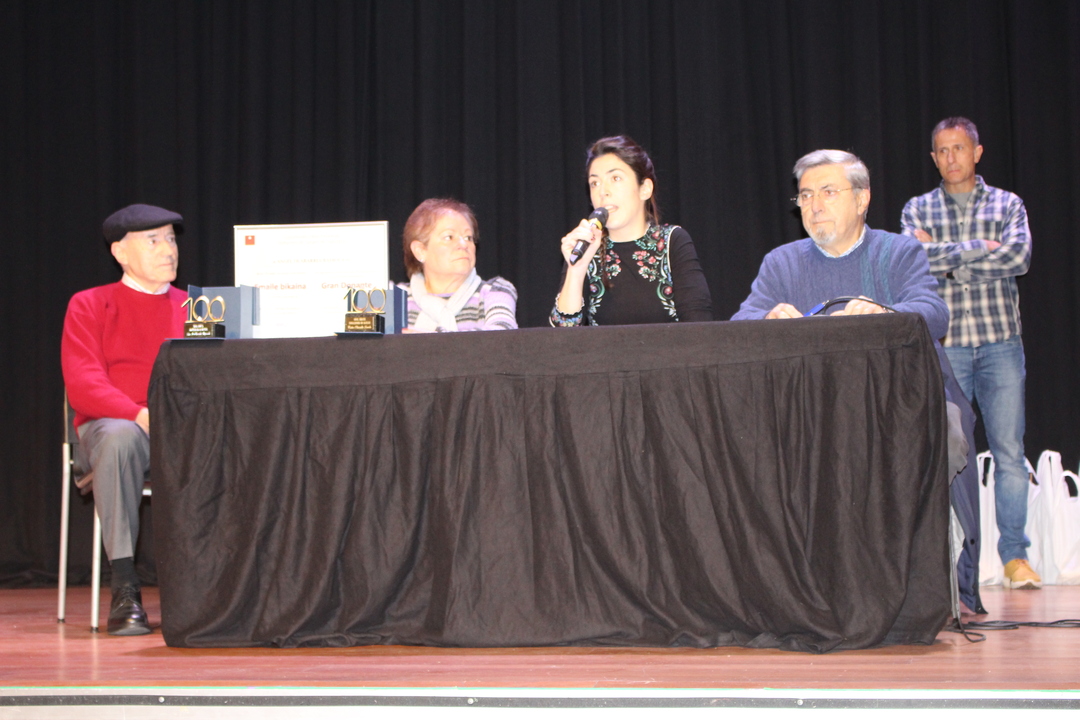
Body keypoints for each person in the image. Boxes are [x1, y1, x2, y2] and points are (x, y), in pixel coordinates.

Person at [733, 149, 985, 613]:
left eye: (828, 192)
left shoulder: (898, 252)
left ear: (862, 198)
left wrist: (886, 313)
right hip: (808, 412)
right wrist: (767, 319)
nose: (814, 205)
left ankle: (930, 588)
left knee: (944, 436)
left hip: (894, 407)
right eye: (805, 195)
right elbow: (741, 321)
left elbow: (934, 312)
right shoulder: (782, 263)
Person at [901, 117, 1038, 589]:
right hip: (948, 348)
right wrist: (980, 247)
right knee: (950, 452)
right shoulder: (917, 208)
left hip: (1001, 342)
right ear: (933, 157)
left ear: (976, 152)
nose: (950, 157)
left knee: (1009, 452)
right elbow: (915, 259)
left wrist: (948, 259)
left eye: (958, 148)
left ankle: (1015, 556)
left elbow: (1018, 258)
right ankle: (956, 564)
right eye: (942, 150)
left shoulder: (1007, 203)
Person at [61, 203, 188, 635]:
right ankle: (125, 587)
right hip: (114, 430)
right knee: (121, 438)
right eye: (153, 240)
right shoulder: (90, 304)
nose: (168, 249)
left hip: (181, 434)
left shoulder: (196, 307)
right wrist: (139, 414)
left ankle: (225, 588)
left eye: (170, 238)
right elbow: (83, 385)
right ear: (120, 252)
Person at [550, 135, 712, 326]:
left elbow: (699, 327)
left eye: (615, 178)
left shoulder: (672, 241)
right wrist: (576, 270)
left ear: (645, 189)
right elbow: (563, 334)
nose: (603, 191)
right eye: (595, 183)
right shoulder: (586, 247)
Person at [401, 198, 517, 332]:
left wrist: (420, 341)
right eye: (449, 237)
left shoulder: (495, 291)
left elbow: (501, 336)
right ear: (420, 251)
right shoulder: (393, 298)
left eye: (468, 238)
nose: (463, 245)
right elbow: (380, 342)